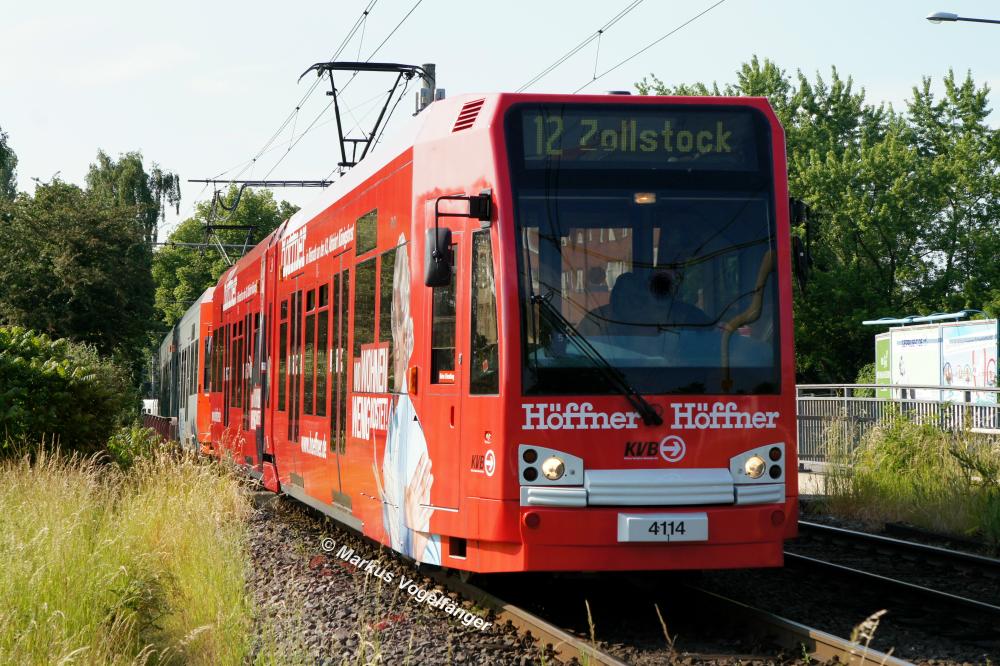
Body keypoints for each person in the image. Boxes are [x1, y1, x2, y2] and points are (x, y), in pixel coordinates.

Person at [372, 234, 442, 565]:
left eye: (402, 318)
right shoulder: (399, 415)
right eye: (393, 315)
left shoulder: (418, 423)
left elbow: (414, 534)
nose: (397, 333)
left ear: (411, 332)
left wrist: (414, 528)